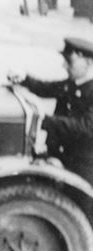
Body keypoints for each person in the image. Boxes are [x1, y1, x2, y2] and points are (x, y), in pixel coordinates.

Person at [9, 36, 93, 182]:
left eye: (69, 61)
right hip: (58, 156)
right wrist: (24, 78)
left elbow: (85, 127)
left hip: (81, 168)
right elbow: (45, 88)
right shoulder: (72, 84)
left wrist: (44, 120)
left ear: (89, 62)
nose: (64, 66)